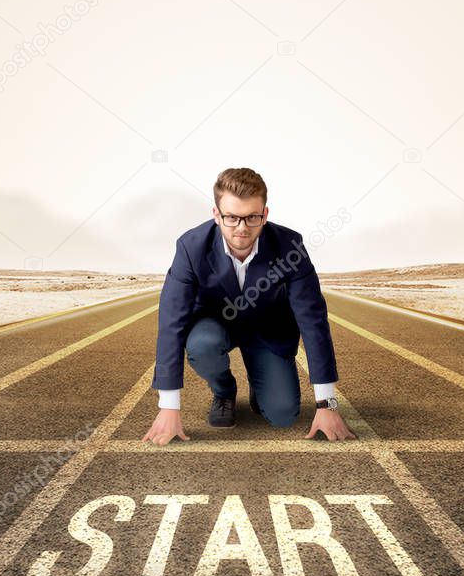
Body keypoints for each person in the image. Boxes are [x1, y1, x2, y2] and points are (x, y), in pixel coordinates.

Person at [142, 167, 356, 445]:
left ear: (265, 214)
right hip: (214, 326)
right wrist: (168, 407)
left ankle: (261, 382)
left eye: (252, 217)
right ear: (216, 215)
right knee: (202, 344)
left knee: (283, 414)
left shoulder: (290, 246)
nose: (242, 228)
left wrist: (327, 405)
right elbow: (172, 321)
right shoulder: (190, 247)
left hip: (266, 330)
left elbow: (313, 320)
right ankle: (224, 391)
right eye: (231, 217)